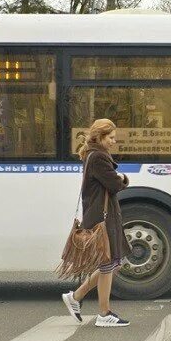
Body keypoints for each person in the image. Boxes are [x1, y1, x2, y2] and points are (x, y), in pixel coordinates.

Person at [62, 118, 133, 327]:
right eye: (110, 137)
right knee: (109, 264)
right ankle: (104, 314)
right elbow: (114, 184)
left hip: (102, 214)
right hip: (103, 217)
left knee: (113, 263)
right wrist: (123, 179)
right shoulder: (98, 157)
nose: (113, 141)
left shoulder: (93, 155)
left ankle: (76, 297)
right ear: (100, 137)